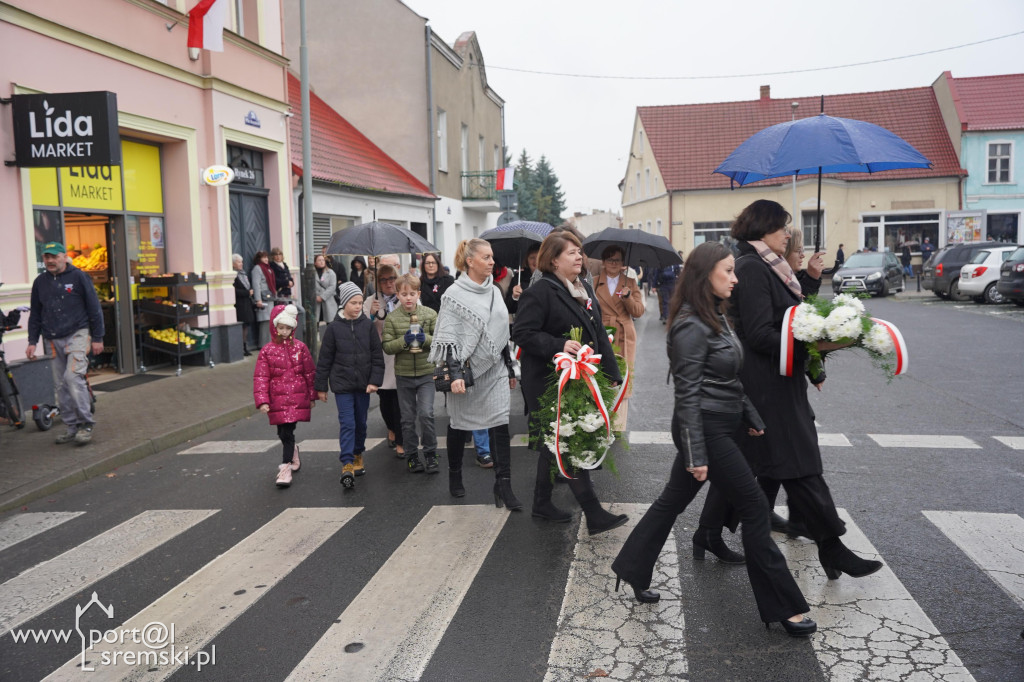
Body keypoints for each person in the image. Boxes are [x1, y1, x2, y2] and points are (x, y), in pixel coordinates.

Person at [610, 242, 816, 636]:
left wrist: (750, 416)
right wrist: (695, 452)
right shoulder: (691, 325)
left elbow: (728, 378)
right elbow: (687, 394)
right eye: (728, 271)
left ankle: (632, 568)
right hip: (703, 429)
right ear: (706, 276)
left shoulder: (715, 316)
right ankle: (784, 607)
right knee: (755, 508)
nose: (735, 278)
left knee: (672, 501)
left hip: (718, 424)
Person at [731, 199, 882, 581]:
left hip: (782, 381)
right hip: (767, 385)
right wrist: (816, 344)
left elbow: (791, 316)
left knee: (782, 466)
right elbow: (759, 333)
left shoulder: (772, 266)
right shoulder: (752, 268)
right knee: (799, 465)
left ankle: (729, 531)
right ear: (763, 228)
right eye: (781, 227)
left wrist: (816, 326)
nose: (787, 234)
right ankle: (831, 546)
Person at [511, 231, 627, 534]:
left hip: (579, 378)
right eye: (571, 252)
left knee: (555, 444)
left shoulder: (582, 287)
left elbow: (598, 333)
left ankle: (541, 502)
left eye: (579, 251)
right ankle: (594, 512)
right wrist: (558, 345)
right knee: (568, 440)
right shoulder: (540, 292)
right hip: (549, 382)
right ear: (553, 260)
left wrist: (611, 374)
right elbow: (522, 333)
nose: (579, 257)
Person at [429, 238, 522, 509]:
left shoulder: (495, 291)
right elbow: (448, 339)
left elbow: (501, 334)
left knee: (500, 423)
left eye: (492, 257)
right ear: (470, 261)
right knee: (459, 425)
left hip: (495, 370)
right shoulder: (453, 295)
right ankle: (455, 474)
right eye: (486, 257)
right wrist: (455, 375)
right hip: (466, 373)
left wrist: (509, 368)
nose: (492, 262)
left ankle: (503, 485)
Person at [26, 241, 105, 445]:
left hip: (77, 333)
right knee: (61, 385)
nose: (50, 260)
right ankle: (72, 427)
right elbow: (35, 314)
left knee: (72, 377)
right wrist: (32, 341)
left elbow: (94, 308)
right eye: (47, 257)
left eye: (54, 256)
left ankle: (86, 424)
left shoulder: (79, 277)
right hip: (52, 338)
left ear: (64, 257)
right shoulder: (40, 282)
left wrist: (98, 337)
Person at [316, 282, 385, 488]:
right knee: (347, 423)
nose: (357, 306)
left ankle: (357, 453)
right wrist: (321, 387)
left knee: (361, 422)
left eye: (360, 303)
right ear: (344, 303)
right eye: (353, 303)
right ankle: (347, 462)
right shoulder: (333, 328)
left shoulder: (367, 326)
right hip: (342, 385)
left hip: (364, 386)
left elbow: (377, 356)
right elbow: (325, 359)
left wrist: (374, 381)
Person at [253, 304, 317, 488]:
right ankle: (293, 451)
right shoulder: (267, 351)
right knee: (282, 433)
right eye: (281, 328)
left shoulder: (300, 348)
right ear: (274, 327)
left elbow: (309, 372)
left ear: (293, 328)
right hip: (277, 399)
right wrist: (262, 401)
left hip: (296, 398)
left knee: (287, 432)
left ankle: (285, 468)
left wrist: (312, 396)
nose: (284, 332)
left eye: (288, 328)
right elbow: (261, 377)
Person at [382, 274, 439, 474]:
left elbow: (439, 341)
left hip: (426, 372)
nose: (408, 298)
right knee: (407, 419)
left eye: (412, 294)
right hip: (404, 374)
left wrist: (425, 339)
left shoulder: (430, 314)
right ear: (398, 295)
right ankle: (412, 455)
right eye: (404, 294)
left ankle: (431, 453)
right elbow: (387, 346)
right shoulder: (392, 318)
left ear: (418, 294)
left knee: (426, 414)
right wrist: (404, 341)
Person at [593, 245, 645, 430]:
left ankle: (618, 425)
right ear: (603, 262)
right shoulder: (594, 282)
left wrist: (628, 297)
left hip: (624, 334)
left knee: (623, 376)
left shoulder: (630, 282)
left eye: (617, 260)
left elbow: (638, 311)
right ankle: (600, 422)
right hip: (602, 333)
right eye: (609, 259)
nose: (613, 263)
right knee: (602, 376)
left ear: (623, 263)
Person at [366, 258, 404, 458]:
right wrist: (371, 315)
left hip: (401, 356)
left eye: (392, 279)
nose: (388, 283)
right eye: (383, 280)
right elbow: (361, 327)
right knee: (386, 399)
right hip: (380, 357)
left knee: (400, 400)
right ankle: (391, 427)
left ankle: (401, 439)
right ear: (378, 282)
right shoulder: (371, 301)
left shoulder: (405, 296)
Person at [232, 254, 256, 357]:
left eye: (241, 262)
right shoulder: (232, 276)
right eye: (238, 262)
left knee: (246, 326)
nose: (241, 264)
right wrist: (247, 292)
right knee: (241, 326)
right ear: (233, 264)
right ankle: (240, 348)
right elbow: (233, 290)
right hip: (239, 305)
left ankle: (245, 347)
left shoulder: (244, 274)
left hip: (247, 304)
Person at [251, 251, 275, 349]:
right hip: (263, 298)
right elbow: (256, 284)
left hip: (270, 297)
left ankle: (269, 343)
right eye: (263, 257)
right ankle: (264, 345)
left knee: (270, 321)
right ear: (259, 259)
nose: (266, 259)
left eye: (266, 257)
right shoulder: (257, 268)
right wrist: (258, 299)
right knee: (265, 321)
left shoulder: (268, 268)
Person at [312, 254, 338, 326]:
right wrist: (315, 297)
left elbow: (332, 287)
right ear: (315, 263)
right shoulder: (312, 273)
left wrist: (322, 297)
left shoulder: (331, 272)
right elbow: (309, 287)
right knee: (315, 322)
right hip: (316, 301)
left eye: (323, 260)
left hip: (328, 300)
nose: (321, 262)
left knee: (330, 322)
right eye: (319, 260)